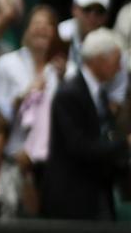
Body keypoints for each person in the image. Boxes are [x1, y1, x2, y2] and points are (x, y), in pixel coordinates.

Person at [40, 30, 127, 221]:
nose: (120, 68)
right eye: (116, 60)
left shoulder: (100, 95)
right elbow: (78, 146)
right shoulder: (69, 94)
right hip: (72, 201)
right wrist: (124, 144)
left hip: (97, 194)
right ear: (99, 59)